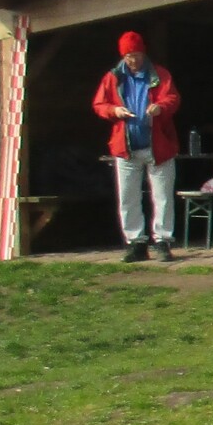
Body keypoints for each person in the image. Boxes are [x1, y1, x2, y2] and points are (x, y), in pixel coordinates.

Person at [92, 30, 182, 262]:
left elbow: (173, 98)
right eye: (129, 55)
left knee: (162, 196)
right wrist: (115, 110)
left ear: (144, 53)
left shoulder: (160, 74)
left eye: (137, 54)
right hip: (126, 148)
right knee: (128, 197)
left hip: (158, 146)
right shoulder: (112, 77)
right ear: (123, 56)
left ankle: (162, 241)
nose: (133, 59)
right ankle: (136, 243)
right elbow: (99, 104)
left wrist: (160, 107)